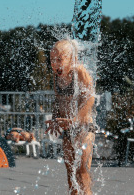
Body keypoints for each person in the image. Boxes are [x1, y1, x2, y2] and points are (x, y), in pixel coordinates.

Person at [45, 39, 95, 195]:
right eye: (52, 59)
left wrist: (76, 119)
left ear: (72, 59)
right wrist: (54, 120)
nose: (55, 64)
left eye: (59, 59)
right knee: (71, 175)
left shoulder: (79, 72)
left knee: (82, 173)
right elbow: (58, 100)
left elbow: (90, 98)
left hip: (84, 128)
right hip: (68, 128)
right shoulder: (57, 76)